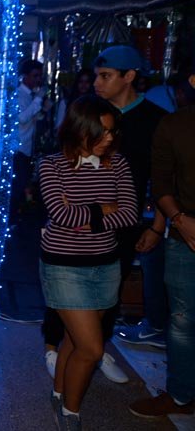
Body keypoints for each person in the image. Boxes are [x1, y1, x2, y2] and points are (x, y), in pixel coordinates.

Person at [38, 95, 138, 430]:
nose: (109, 138)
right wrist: (105, 208)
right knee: (92, 349)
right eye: (102, 132)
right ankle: (70, 412)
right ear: (80, 130)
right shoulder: (51, 165)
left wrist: (87, 216)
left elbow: (129, 214)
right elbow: (62, 215)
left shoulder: (117, 164)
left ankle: (58, 392)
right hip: (63, 266)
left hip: (105, 266)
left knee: (74, 339)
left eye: (112, 131)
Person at [89, 46, 168, 352]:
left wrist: (157, 227)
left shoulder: (155, 120)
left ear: (129, 76)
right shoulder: (89, 113)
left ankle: (97, 348)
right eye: (97, 75)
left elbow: (163, 180)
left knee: (111, 287)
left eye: (106, 76)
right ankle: (75, 347)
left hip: (124, 221)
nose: (97, 83)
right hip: (83, 216)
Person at [129, 73, 195, 419]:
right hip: (185, 233)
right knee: (182, 321)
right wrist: (179, 221)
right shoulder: (174, 125)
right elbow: (161, 184)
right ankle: (181, 395)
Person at [10, 58, 50, 222]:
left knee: (21, 186)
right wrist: (38, 99)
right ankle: (12, 220)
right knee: (17, 186)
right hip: (18, 148)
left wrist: (42, 111)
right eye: (35, 76)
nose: (38, 80)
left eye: (39, 76)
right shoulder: (19, 95)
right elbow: (21, 118)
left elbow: (31, 119)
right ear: (25, 76)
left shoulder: (30, 96)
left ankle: (15, 219)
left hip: (26, 147)